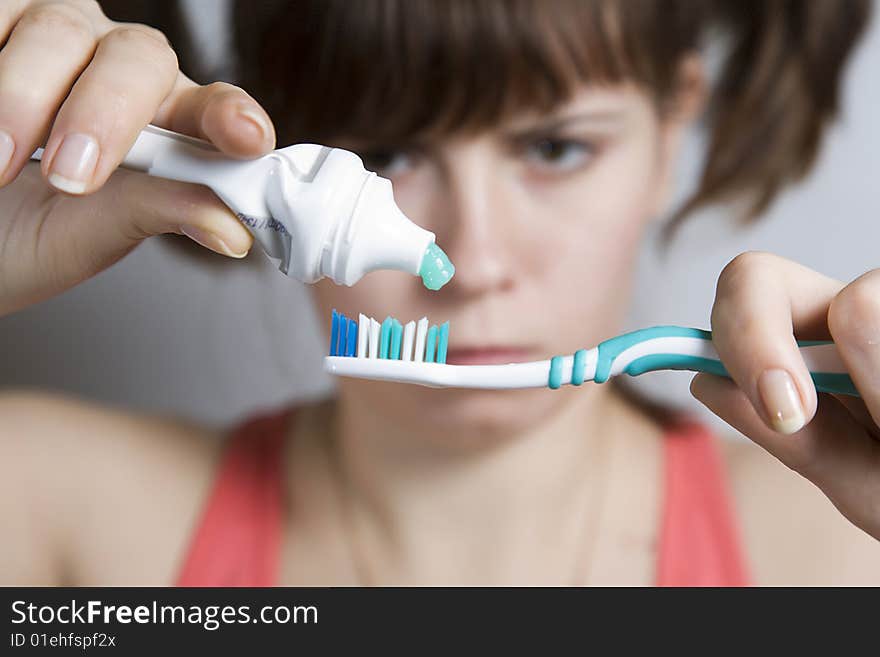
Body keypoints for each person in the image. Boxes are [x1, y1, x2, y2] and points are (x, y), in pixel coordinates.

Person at [1, 0, 879, 586]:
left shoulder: (840, 549)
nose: (474, 260)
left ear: (670, 128)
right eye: (386, 157)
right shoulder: (44, 511)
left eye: (556, 149)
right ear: (261, 166)